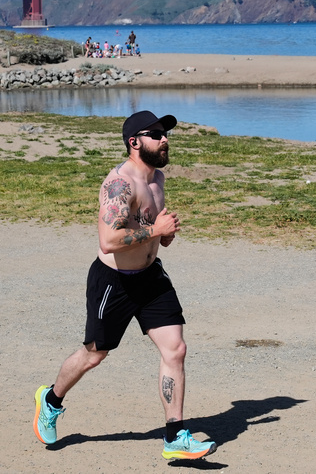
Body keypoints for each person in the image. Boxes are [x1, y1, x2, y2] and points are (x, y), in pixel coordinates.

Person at [34, 110, 216, 461]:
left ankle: (175, 436)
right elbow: (108, 240)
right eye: (156, 134)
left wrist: (165, 236)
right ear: (134, 142)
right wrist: (156, 231)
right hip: (113, 282)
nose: (165, 139)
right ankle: (51, 399)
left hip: (150, 278)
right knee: (94, 354)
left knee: (175, 349)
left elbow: (155, 236)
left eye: (166, 134)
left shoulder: (158, 179)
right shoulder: (119, 184)